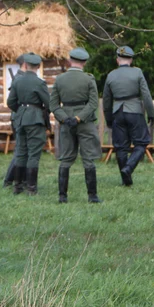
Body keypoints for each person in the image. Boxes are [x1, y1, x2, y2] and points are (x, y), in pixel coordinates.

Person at [50, 48, 102, 204]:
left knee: (66, 159)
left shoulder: (59, 79)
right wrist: (79, 118)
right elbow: (93, 103)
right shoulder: (89, 79)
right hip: (85, 122)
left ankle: (62, 197)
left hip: (66, 122)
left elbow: (53, 104)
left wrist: (65, 119)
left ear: (69, 61)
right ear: (84, 63)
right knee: (88, 160)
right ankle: (92, 196)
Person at [102, 46, 154, 186]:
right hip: (134, 111)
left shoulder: (111, 75)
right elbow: (146, 95)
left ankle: (126, 180)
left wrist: (108, 118)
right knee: (142, 142)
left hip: (117, 113)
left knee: (120, 147)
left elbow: (106, 100)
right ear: (130, 60)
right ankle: (129, 168)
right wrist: (151, 113)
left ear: (117, 60)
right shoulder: (137, 72)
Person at [7, 52, 50, 195]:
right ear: (38, 66)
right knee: (33, 154)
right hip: (35, 119)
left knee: (20, 152)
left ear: (25, 65)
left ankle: (17, 187)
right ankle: (31, 188)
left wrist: (20, 111)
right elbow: (48, 103)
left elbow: (10, 102)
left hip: (20, 119)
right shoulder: (39, 83)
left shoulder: (17, 81)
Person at [3, 54, 26, 187]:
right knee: (20, 149)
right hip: (18, 117)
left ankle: (19, 179)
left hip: (20, 117)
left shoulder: (20, 77)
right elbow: (13, 101)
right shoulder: (19, 78)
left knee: (22, 149)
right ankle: (9, 180)